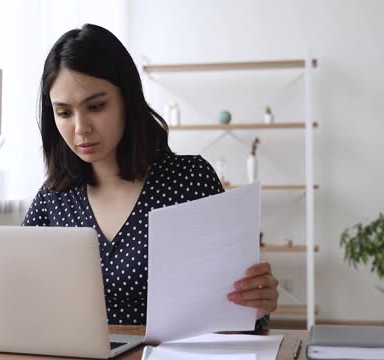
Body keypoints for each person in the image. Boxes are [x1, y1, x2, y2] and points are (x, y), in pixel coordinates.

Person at [22, 24, 278, 328]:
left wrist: (258, 305)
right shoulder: (54, 197)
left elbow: (239, 317)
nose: (80, 128)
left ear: (127, 101)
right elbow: (18, 291)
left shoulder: (189, 182)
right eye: (64, 113)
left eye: (96, 106)